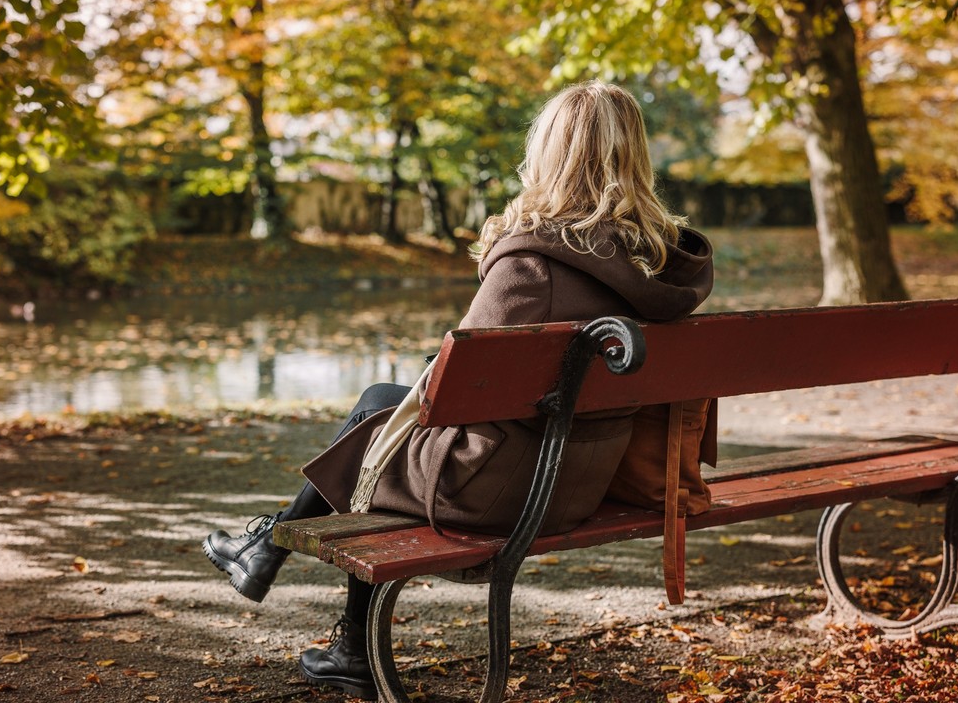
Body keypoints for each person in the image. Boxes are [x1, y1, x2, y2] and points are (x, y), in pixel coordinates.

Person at [202, 80, 714, 699]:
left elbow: (449, 389)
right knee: (379, 407)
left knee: (377, 423)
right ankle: (279, 564)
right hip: (584, 481)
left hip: (502, 490)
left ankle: (299, 582)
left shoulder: (532, 263)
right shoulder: (660, 265)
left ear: (550, 154)